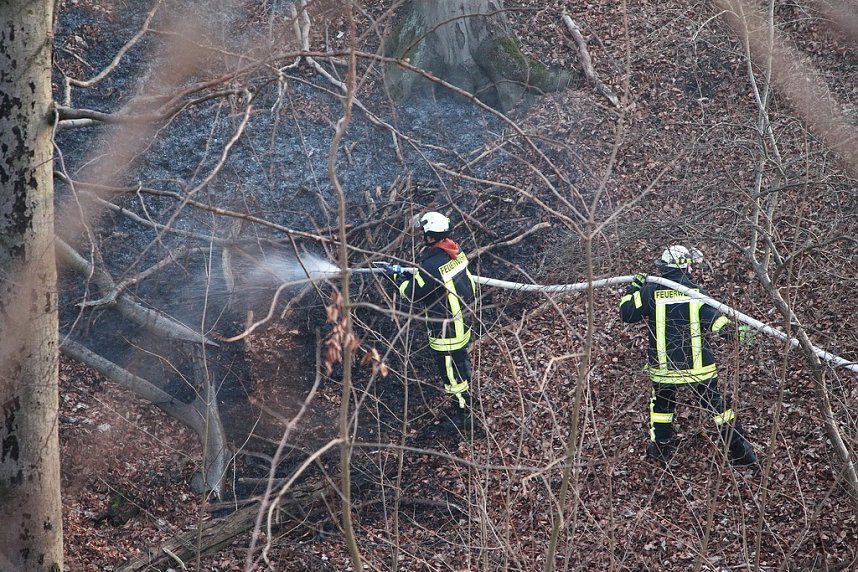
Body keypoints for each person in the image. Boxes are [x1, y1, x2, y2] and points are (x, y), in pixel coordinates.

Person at [619, 245, 758, 467]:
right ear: (686, 267)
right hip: (698, 369)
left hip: (664, 370)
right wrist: (739, 334)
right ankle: (741, 453)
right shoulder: (696, 294)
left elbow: (627, 313)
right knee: (717, 408)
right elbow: (716, 322)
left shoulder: (650, 291)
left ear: (664, 268)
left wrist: (633, 288)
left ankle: (661, 450)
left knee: (662, 408)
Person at [382, 211, 478, 433]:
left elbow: (414, 294)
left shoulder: (432, 263)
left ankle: (463, 415)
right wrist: (412, 276)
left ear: (431, 235)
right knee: (460, 364)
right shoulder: (455, 251)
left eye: (424, 232)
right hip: (463, 319)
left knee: (451, 373)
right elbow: (435, 283)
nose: (422, 236)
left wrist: (396, 278)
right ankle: (465, 403)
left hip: (445, 328)